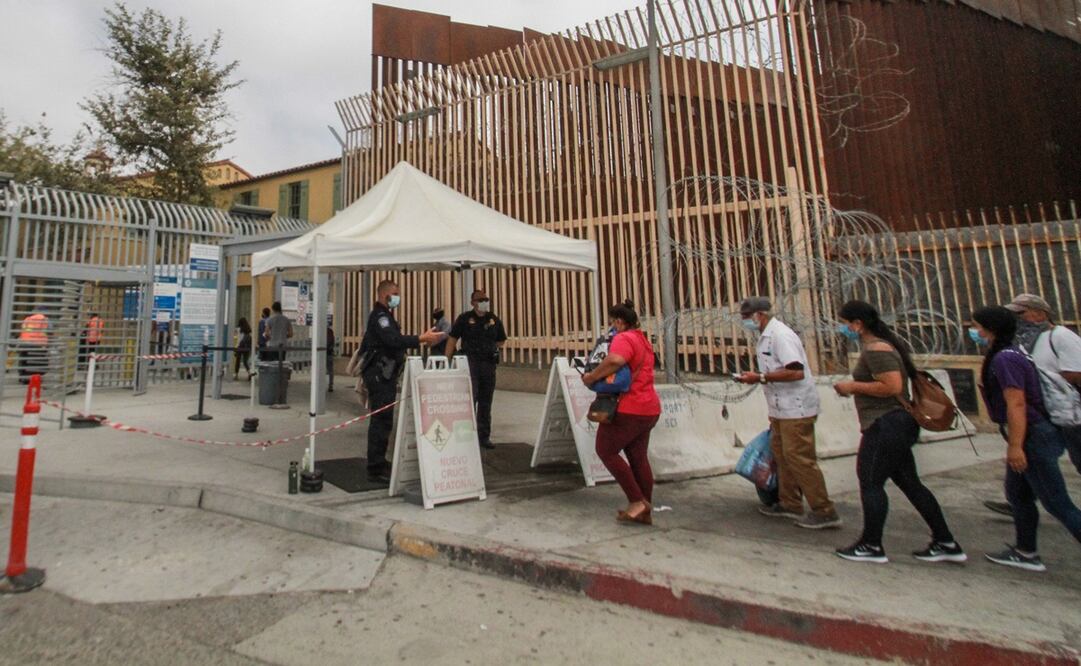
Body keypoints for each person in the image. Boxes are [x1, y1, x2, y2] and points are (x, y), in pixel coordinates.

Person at [831, 301, 964, 564]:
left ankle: (871, 545)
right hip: (896, 425)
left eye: (846, 322)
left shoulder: (876, 349)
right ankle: (946, 541)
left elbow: (891, 387)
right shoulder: (885, 345)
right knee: (910, 484)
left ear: (858, 323)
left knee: (870, 482)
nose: (844, 328)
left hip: (886, 423)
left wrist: (852, 386)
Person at [970, 305, 1081, 572]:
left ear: (991, 328)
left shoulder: (1006, 359)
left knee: (1056, 502)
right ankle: (1026, 551)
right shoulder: (1010, 353)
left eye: (978, 326)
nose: (975, 331)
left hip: (1031, 435)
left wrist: (1017, 447)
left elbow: (1017, 404)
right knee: (1018, 495)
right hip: (1028, 434)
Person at [735, 297, 840, 529]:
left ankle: (823, 509)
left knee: (799, 458)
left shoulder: (780, 336)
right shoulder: (765, 336)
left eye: (746, 317)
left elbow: (795, 371)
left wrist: (760, 377)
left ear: (758, 315)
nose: (745, 322)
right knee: (782, 455)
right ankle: (790, 502)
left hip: (797, 407)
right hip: (781, 408)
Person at [985, 294, 1081, 515]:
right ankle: (1019, 503)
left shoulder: (1061, 337)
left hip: (1071, 414)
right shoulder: (1025, 341)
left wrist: (1052, 381)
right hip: (1047, 415)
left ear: (1040, 314)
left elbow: (1076, 372)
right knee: (1027, 467)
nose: (1017, 319)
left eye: (1021, 313)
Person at [581, 300, 661, 525]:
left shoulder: (623, 338)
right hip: (649, 408)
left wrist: (592, 376)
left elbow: (615, 359)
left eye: (613, 322)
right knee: (638, 457)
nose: (612, 327)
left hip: (629, 407)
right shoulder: (642, 340)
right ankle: (645, 508)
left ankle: (636, 501)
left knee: (605, 449)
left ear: (619, 321)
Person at [360, 280, 444, 483]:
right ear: (384, 295)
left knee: (385, 420)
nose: (398, 298)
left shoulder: (386, 316)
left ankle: (379, 461)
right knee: (380, 421)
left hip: (386, 374)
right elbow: (393, 341)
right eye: (395, 294)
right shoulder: (381, 317)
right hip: (380, 375)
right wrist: (421, 339)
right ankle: (375, 468)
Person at [444, 290, 507, 450]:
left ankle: (483, 437)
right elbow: (452, 339)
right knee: (470, 401)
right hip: (470, 364)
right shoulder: (465, 318)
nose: (484, 302)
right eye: (481, 300)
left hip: (488, 365)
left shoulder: (493, 319)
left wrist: (489, 347)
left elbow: (501, 340)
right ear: (473, 302)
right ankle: (466, 436)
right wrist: (447, 360)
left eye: (486, 299)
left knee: (486, 403)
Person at [18, 308, 50, 383]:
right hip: (38, 344)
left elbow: (22, 329)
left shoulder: (27, 319)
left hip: (25, 343)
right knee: (37, 361)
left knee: (24, 360)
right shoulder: (44, 319)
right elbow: (50, 330)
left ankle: (23, 377)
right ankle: (35, 378)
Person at [326, 324, 336, 392]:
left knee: (319, 369)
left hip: (323, 353)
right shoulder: (330, 331)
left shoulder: (321, 331)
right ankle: (330, 385)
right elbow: (332, 342)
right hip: (329, 352)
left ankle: (330, 385)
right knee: (330, 370)